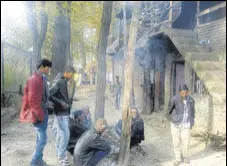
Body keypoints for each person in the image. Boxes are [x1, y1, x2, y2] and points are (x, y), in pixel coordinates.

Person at [19, 58, 52, 166]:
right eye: (48, 68)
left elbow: (44, 96)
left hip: (43, 112)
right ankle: (34, 162)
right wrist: (39, 115)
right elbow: (32, 100)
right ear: (42, 67)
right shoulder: (34, 79)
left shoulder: (43, 78)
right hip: (38, 114)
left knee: (39, 139)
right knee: (43, 139)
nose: (49, 70)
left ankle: (39, 161)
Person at [49, 66, 76, 166]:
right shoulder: (59, 81)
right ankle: (61, 157)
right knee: (66, 134)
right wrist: (60, 103)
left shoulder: (65, 82)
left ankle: (59, 152)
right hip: (60, 112)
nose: (72, 76)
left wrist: (69, 102)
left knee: (61, 134)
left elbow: (64, 96)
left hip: (64, 112)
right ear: (67, 72)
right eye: (72, 74)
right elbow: (50, 94)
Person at [166, 84, 195, 166]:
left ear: (188, 92)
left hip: (186, 125)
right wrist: (173, 120)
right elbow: (168, 112)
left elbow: (193, 112)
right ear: (179, 92)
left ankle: (185, 157)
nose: (184, 94)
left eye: (186, 93)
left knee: (186, 142)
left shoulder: (191, 100)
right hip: (175, 125)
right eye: (182, 93)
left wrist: (192, 122)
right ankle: (178, 158)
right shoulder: (174, 99)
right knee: (176, 142)